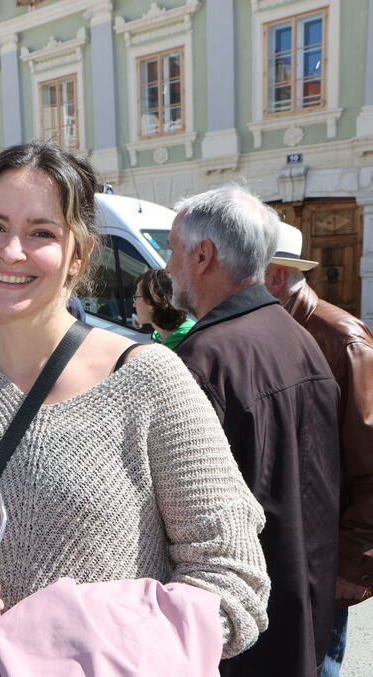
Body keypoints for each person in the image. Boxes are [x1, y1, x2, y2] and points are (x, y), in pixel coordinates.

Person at [0, 143, 269, 676]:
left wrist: (54, 646)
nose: (12, 251)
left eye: (42, 233)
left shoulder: (149, 380)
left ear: (79, 255)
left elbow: (232, 579)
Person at [167, 186, 341, 677]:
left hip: (243, 628)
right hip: (299, 610)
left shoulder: (203, 360)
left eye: (173, 250)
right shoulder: (297, 336)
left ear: (203, 255)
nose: (167, 266)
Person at [262, 221, 373, 677]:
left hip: (324, 558)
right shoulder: (273, 326)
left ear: (275, 277)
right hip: (286, 551)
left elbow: (369, 458)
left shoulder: (341, 338)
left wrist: (354, 562)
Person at [132, 268, 195, 350]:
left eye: (136, 297)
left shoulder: (191, 340)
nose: (134, 304)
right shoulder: (160, 337)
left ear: (151, 302)